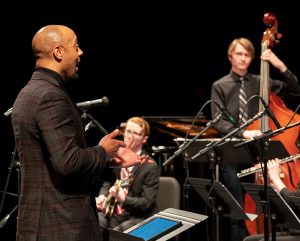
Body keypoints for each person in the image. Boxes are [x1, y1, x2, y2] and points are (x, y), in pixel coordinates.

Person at [11, 25, 149, 241]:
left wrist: (107, 158)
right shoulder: (51, 96)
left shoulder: (27, 93)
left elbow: (52, 160)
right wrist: (103, 152)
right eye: (75, 46)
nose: (80, 52)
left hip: (39, 222)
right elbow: (68, 162)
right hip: (61, 225)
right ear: (58, 52)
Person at [210, 37, 300, 241]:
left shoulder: (262, 81)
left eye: (247, 54)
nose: (243, 58)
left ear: (252, 57)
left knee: (272, 208)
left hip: (262, 152)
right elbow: (218, 121)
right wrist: (243, 132)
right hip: (235, 152)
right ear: (230, 56)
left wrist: (279, 65)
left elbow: (296, 91)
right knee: (239, 213)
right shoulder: (220, 86)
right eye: (239, 54)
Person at [96, 116, 160, 235]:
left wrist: (124, 199)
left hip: (138, 216)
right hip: (115, 213)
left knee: (118, 234)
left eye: (135, 133)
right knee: (94, 222)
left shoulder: (150, 166)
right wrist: (102, 196)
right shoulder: (116, 158)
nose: (130, 135)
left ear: (144, 139)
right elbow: (107, 182)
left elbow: (147, 203)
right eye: (128, 131)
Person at [243, 158, 300, 241]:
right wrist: (267, 184)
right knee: (249, 240)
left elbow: (294, 201)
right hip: (296, 230)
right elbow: (290, 206)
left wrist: (275, 177)